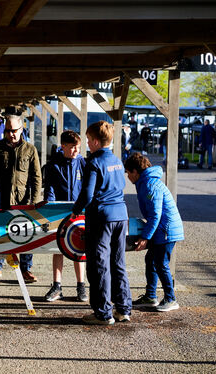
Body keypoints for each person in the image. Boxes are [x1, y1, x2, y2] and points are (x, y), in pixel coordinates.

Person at [71, 121, 132, 325]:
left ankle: (103, 312)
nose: (87, 144)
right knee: (118, 262)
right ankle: (123, 309)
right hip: (121, 215)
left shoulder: (94, 162)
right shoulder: (116, 159)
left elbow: (87, 194)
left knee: (100, 265)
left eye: (88, 140)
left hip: (101, 217)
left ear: (96, 141)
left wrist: (76, 210)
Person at [0, 113, 42, 283]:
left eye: (14, 130)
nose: (11, 134)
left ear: (21, 129)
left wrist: (34, 201)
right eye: (7, 131)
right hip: (0, 198)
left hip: (23, 201)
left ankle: (26, 269)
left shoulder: (30, 150)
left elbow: (36, 177)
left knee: (26, 233)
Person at [124, 153, 184, 312]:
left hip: (166, 230)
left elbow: (155, 214)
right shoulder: (145, 182)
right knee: (151, 259)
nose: (128, 176)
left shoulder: (150, 184)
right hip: (162, 229)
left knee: (160, 263)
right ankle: (151, 296)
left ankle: (171, 299)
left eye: (128, 172)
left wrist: (145, 237)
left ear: (135, 171)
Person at [43, 130, 88, 302]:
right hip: (60, 213)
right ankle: (57, 286)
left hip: (79, 213)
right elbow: (50, 189)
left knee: (79, 249)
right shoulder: (54, 164)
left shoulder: (83, 163)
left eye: (78, 147)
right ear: (63, 146)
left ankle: (81, 287)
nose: (76, 151)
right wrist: (50, 206)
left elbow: (88, 187)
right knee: (58, 248)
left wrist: (84, 204)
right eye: (72, 148)